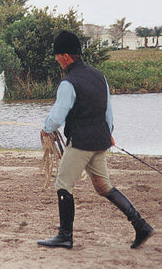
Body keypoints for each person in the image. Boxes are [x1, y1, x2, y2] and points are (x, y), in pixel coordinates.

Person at [37, 30, 154, 249]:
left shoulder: (68, 84)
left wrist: (45, 130)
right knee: (103, 187)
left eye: (56, 56)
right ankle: (141, 225)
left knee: (63, 183)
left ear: (65, 56)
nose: (55, 60)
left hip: (81, 142)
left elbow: (57, 117)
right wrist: (108, 131)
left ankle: (65, 236)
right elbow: (108, 112)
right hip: (100, 140)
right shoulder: (99, 76)